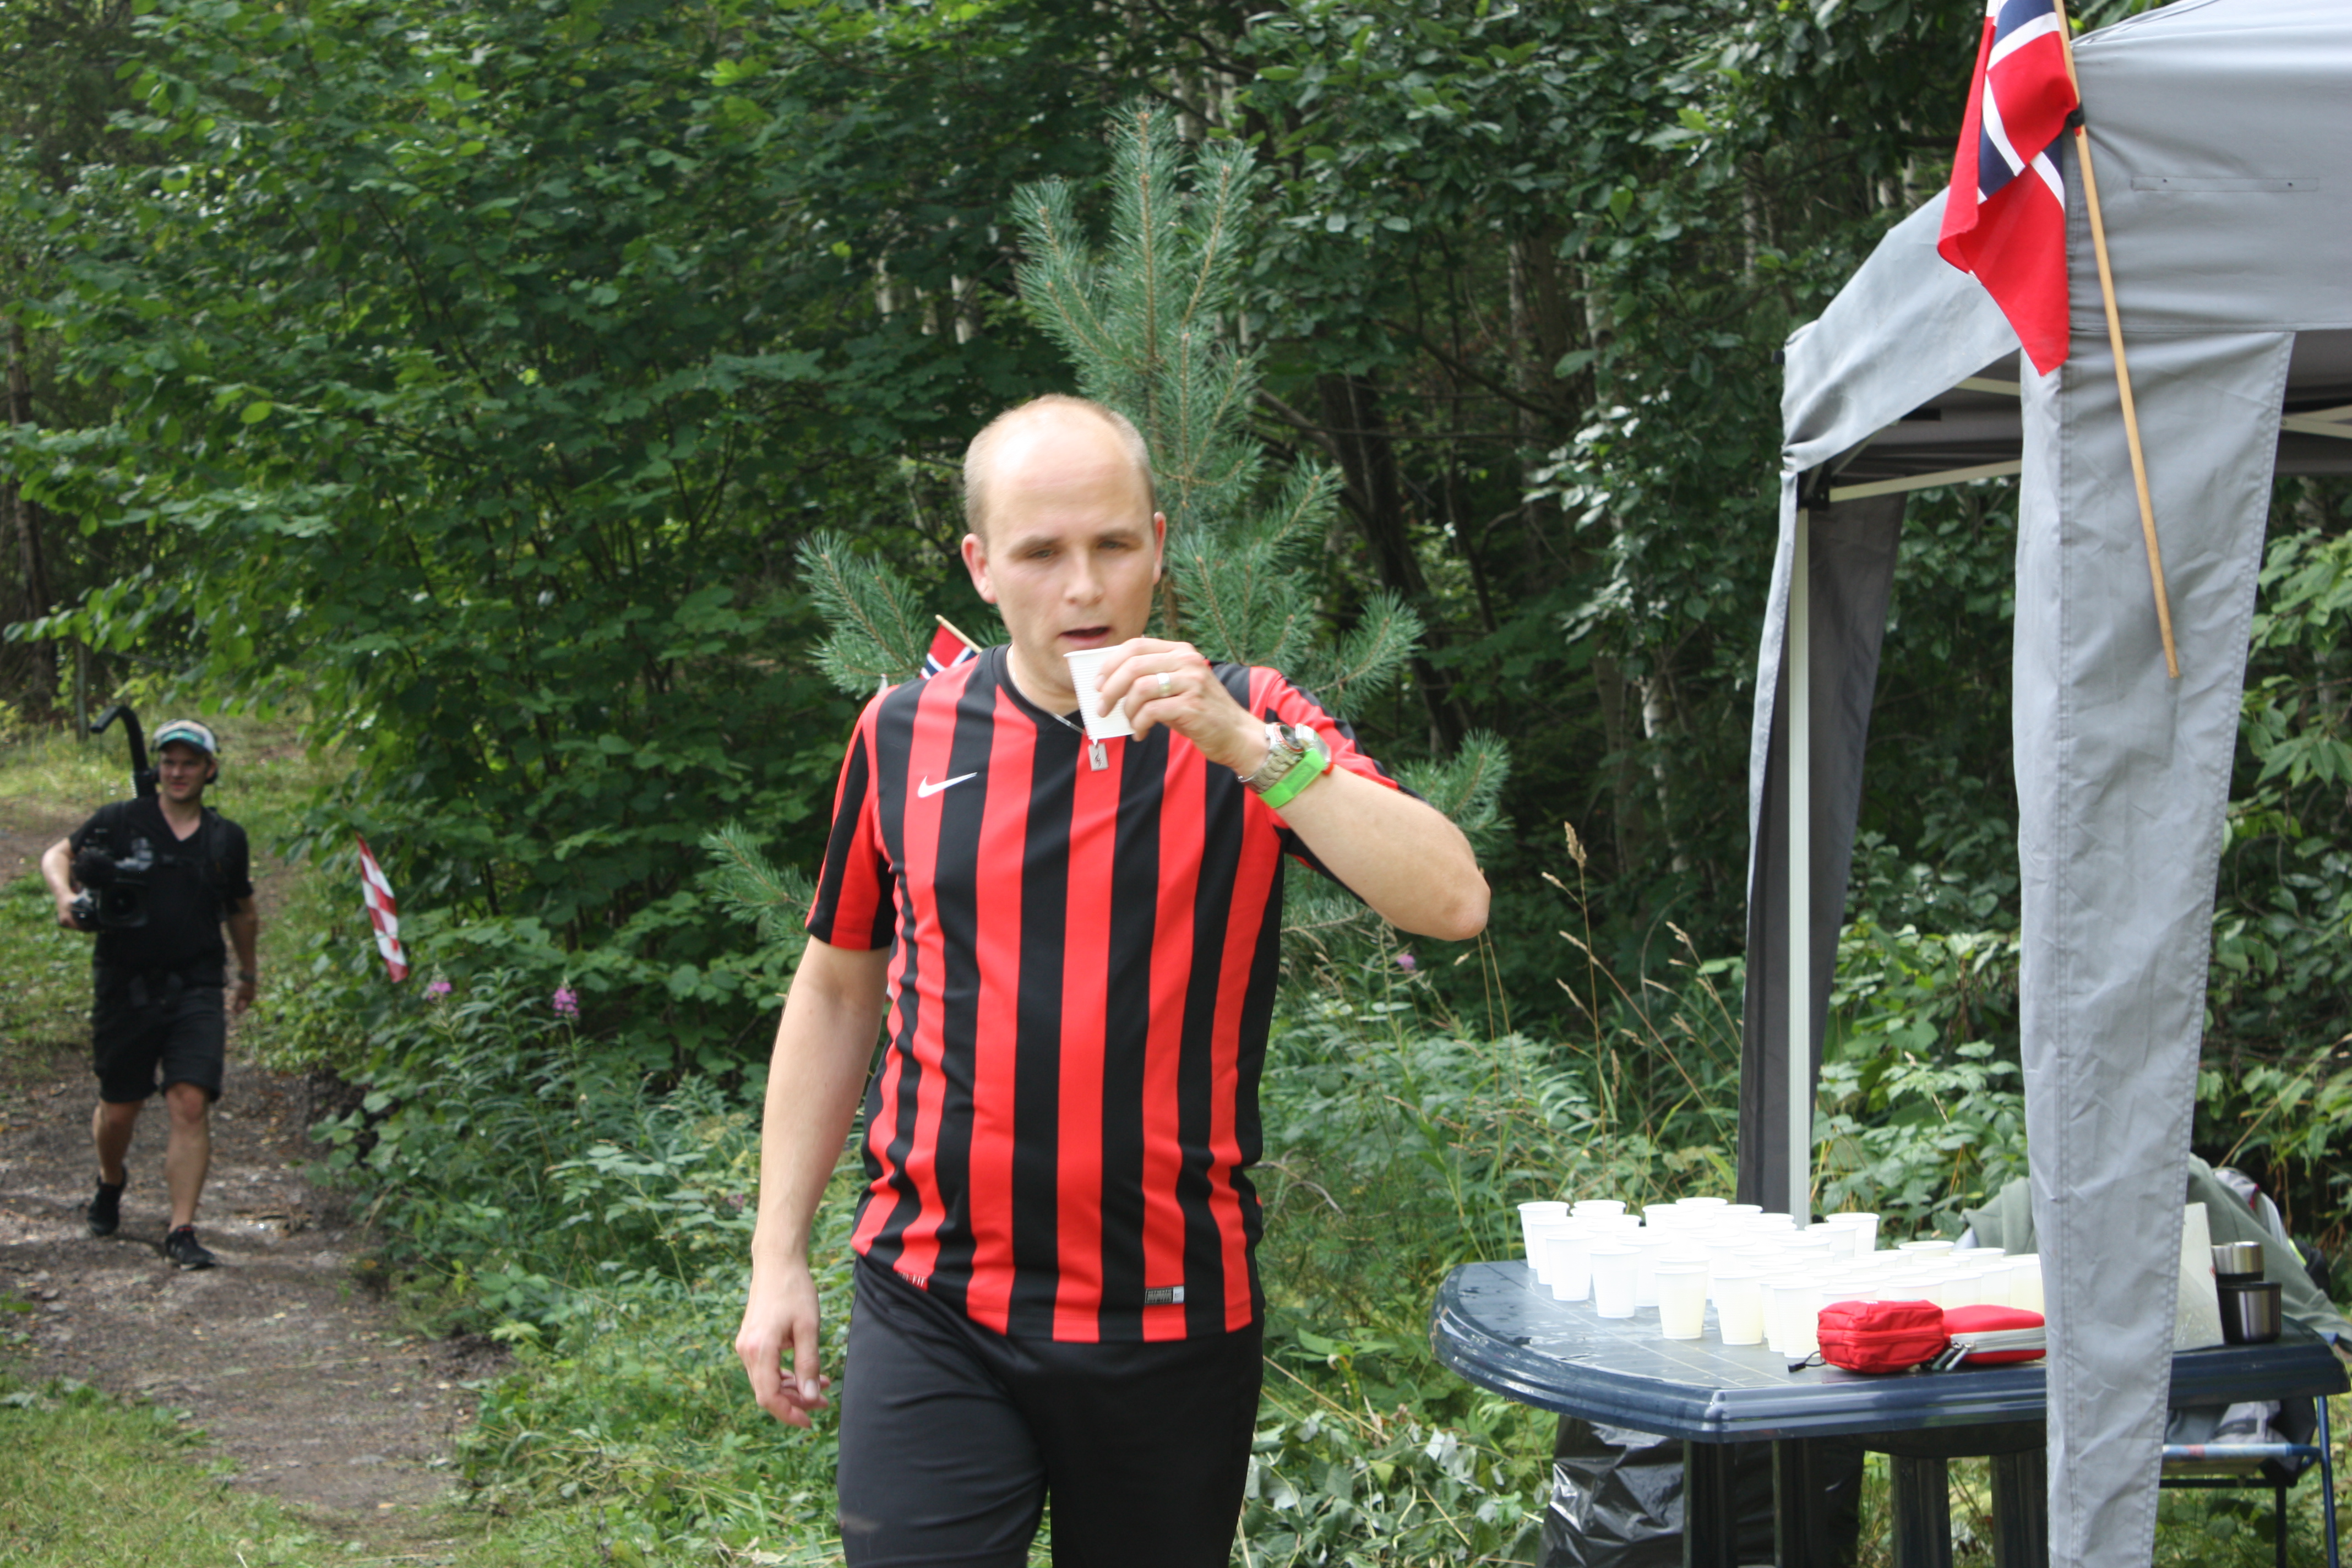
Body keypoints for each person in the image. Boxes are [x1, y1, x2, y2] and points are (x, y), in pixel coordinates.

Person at [734, 395, 1489, 1566]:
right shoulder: (902, 732)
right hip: (934, 1295)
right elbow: (837, 991)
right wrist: (776, 1250)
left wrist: (1249, 750)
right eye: (1041, 552)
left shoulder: (1252, 720)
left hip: (1170, 1310)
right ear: (982, 566)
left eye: (1114, 544)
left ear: (1159, 543)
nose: (1082, 587)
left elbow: (1452, 901)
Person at [40, 717, 258, 1270]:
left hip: (197, 984)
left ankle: (181, 1228)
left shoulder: (226, 838)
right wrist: (66, 898)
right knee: (120, 1109)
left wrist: (249, 973)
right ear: (158, 768)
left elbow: (242, 910)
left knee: (190, 1100)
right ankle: (110, 1180)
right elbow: (56, 855)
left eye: (190, 763)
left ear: (210, 769)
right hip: (125, 983)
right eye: (169, 762)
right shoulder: (118, 820)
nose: (178, 772)